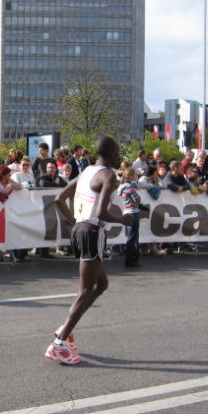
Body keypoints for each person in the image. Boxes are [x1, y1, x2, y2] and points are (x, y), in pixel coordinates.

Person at [46, 136, 133, 365]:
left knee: (101, 284)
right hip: (92, 231)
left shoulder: (85, 172)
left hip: (80, 229)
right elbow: (102, 212)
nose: (120, 156)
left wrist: (75, 220)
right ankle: (59, 344)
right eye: (118, 152)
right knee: (85, 290)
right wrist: (124, 220)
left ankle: (65, 328)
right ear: (110, 153)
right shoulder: (108, 175)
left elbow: (58, 199)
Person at [117, 167, 144, 268]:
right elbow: (137, 199)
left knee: (130, 237)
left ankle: (131, 259)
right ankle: (130, 260)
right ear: (132, 176)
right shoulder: (130, 188)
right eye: (135, 174)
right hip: (133, 212)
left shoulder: (122, 187)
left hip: (126, 211)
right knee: (133, 238)